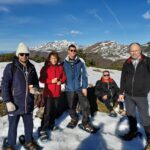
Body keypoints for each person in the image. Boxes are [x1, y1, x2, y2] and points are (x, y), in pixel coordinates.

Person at [2, 42, 39, 150]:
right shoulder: (11, 67)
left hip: (28, 103)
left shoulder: (31, 67)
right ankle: (10, 145)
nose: (24, 56)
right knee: (12, 127)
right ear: (18, 54)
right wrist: (8, 101)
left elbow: (36, 82)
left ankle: (28, 141)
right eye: (22, 54)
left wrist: (35, 89)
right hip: (14, 104)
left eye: (26, 54)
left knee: (29, 126)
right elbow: (5, 85)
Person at [119, 43, 150, 150]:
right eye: (132, 51)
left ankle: (149, 138)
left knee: (145, 117)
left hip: (141, 95)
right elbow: (123, 78)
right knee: (131, 115)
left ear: (140, 50)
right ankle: (133, 131)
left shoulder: (147, 61)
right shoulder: (127, 62)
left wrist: (147, 88)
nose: (134, 52)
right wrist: (121, 92)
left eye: (136, 50)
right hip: (128, 95)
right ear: (129, 51)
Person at [63, 44, 95, 133]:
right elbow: (61, 76)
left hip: (79, 88)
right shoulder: (63, 63)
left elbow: (84, 75)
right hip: (69, 89)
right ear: (68, 51)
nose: (73, 52)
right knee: (71, 107)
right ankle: (74, 119)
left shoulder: (80, 62)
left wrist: (84, 87)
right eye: (71, 50)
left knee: (85, 106)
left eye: (74, 50)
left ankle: (85, 123)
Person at [39, 51, 66, 141]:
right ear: (49, 59)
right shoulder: (45, 68)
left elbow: (64, 77)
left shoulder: (60, 67)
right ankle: (43, 129)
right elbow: (41, 79)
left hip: (57, 93)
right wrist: (51, 81)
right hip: (48, 93)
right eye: (52, 58)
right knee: (47, 112)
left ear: (57, 59)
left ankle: (51, 124)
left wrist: (60, 81)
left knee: (54, 110)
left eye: (55, 58)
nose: (54, 60)